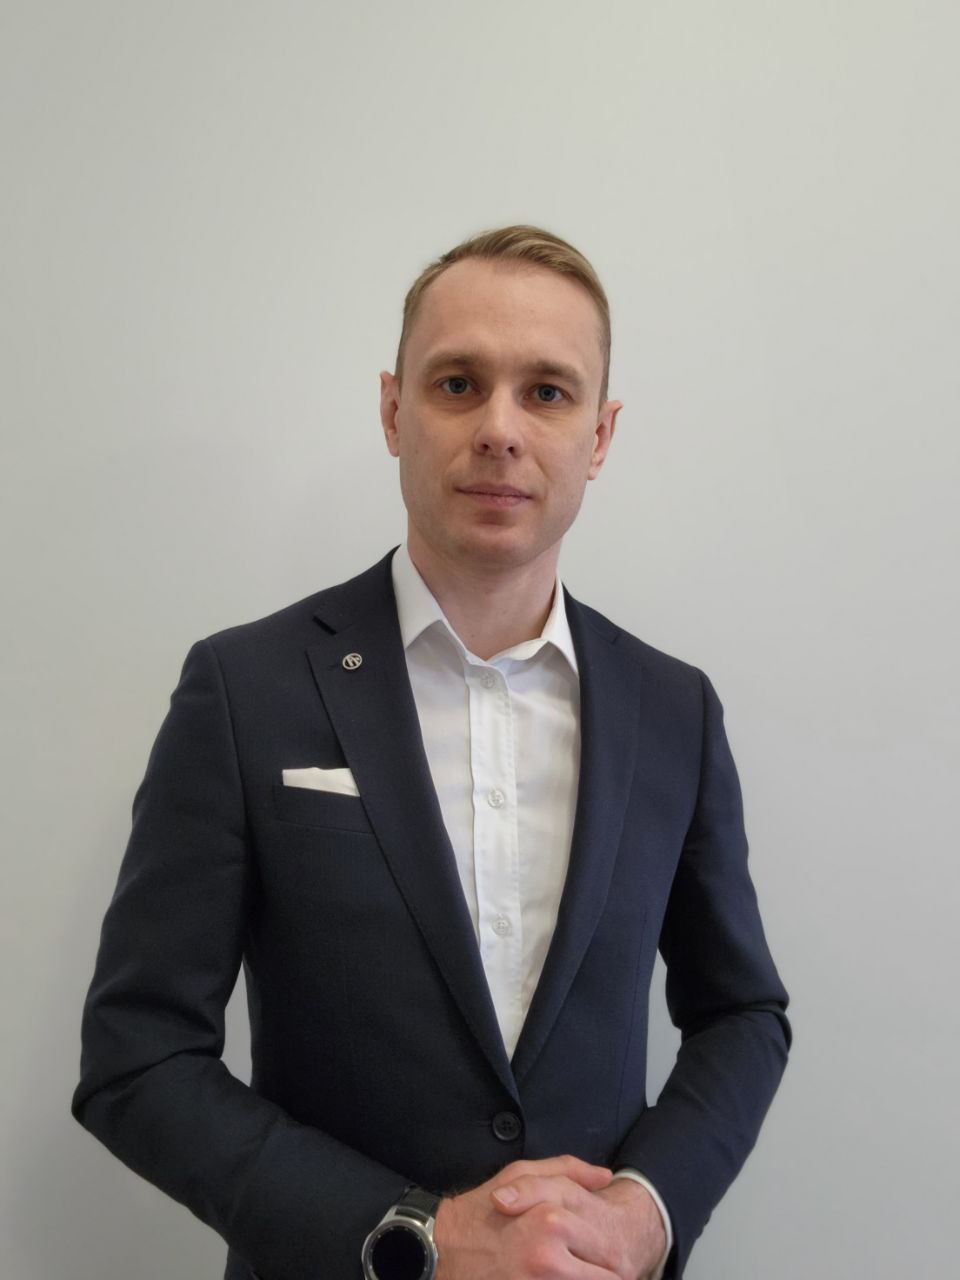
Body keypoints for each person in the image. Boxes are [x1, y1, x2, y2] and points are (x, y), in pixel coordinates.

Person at [72, 225, 791, 1280]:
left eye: (547, 392)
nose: (500, 428)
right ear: (393, 411)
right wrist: (418, 1235)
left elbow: (742, 1013)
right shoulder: (244, 689)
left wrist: (648, 1212)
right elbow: (136, 1055)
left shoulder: (674, 709)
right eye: (458, 383)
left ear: (600, 434)